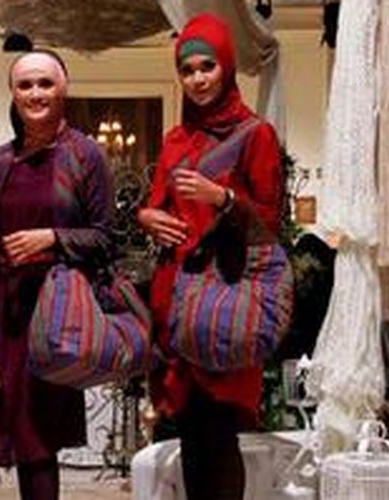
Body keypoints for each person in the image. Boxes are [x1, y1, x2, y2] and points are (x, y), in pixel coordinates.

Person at [137, 13, 284, 500]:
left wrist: (222, 199)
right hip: (176, 301)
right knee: (191, 434)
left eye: (207, 66)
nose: (197, 79)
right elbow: (159, 205)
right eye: (187, 70)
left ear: (227, 66)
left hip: (225, 303)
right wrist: (148, 218)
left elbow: (268, 225)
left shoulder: (255, 134)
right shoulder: (176, 140)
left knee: (219, 436)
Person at [0, 49, 114, 500]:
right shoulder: (0, 160)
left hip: (56, 316)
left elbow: (106, 238)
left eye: (45, 83)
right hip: (6, 313)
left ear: (64, 88)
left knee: (38, 436)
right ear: (12, 93)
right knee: (17, 431)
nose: (35, 93)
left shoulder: (85, 155)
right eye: (25, 84)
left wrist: (51, 239)